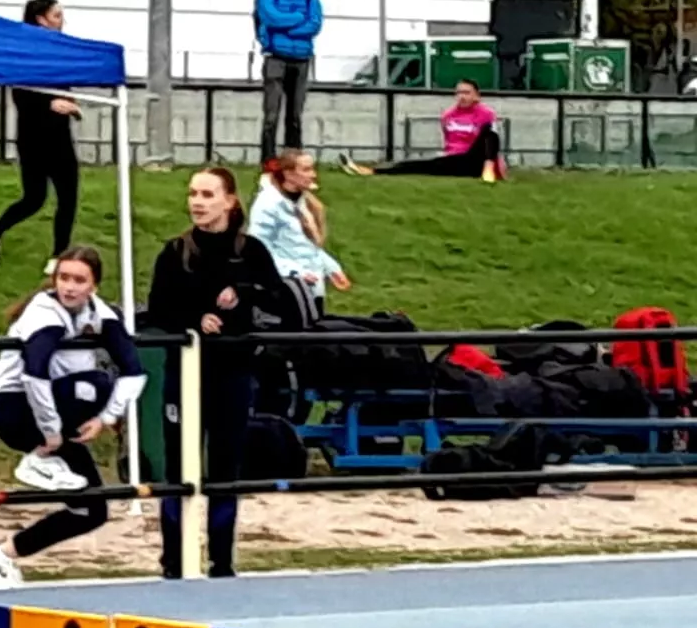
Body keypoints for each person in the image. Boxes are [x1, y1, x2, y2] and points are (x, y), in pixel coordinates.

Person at [146, 166, 297, 580]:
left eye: (208, 194)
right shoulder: (176, 251)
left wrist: (243, 295)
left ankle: (222, 562)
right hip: (185, 374)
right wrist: (195, 320)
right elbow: (158, 310)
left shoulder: (251, 252)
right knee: (178, 469)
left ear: (229, 200)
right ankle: (174, 561)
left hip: (232, 374)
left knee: (225, 469)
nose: (197, 201)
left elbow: (279, 302)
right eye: (193, 193)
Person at [0, 245, 144, 589]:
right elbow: (34, 375)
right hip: (15, 410)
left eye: (79, 280)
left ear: (94, 286)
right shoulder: (44, 314)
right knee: (94, 383)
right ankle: (37, 460)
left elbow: (134, 371)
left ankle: (2, 554)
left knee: (93, 509)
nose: (69, 287)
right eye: (63, 277)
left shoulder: (100, 313)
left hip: (57, 416)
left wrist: (106, 419)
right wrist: (49, 436)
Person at [0, 0, 83, 270]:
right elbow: (20, 95)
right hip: (33, 137)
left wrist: (71, 105)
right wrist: (49, 104)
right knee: (34, 199)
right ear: (40, 19)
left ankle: (58, 257)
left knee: (68, 198)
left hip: (60, 136)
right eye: (56, 16)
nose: (62, 22)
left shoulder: (61, 50)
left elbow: (65, 88)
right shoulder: (23, 51)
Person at [248, 149, 349, 325]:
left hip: (310, 288)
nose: (313, 175)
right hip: (287, 291)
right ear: (288, 173)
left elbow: (306, 247)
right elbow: (259, 250)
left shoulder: (302, 202)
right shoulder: (268, 204)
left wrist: (331, 268)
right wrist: (295, 274)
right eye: (307, 169)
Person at [339, 81, 503, 181]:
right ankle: (373, 171)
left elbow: (492, 141)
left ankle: (488, 171)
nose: (462, 96)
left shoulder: (485, 113)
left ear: (476, 96)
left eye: (467, 93)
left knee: (489, 131)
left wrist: (496, 165)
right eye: (458, 92)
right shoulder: (449, 115)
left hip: (476, 158)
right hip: (455, 159)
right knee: (421, 165)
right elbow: (449, 141)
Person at [254, 0, 321, 166]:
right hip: (276, 57)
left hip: (301, 59)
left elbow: (315, 23)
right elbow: (270, 17)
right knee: (271, 115)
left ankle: (293, 160)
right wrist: (297, 19)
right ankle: (268, 160)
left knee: (295, 115)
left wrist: (288, 29)